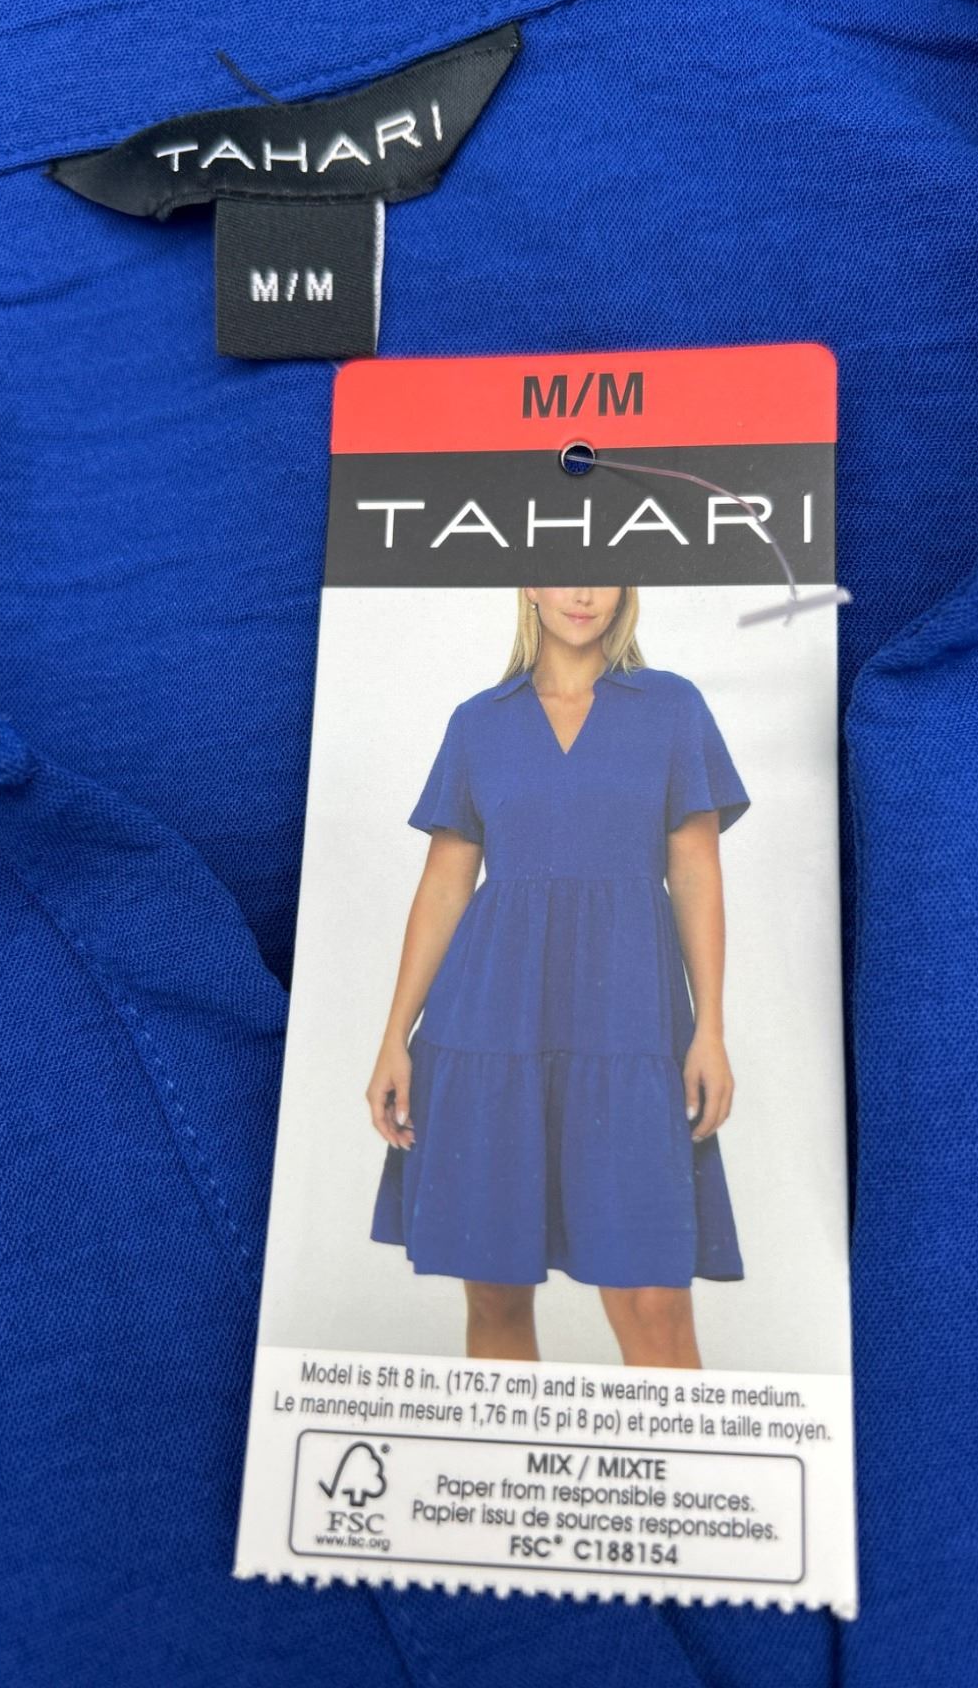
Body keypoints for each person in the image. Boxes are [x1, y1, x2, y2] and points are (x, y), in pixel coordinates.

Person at [365, 585, 752, 1368]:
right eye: (564, 571)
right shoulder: (478, 722)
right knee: (495, 1293)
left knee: (652, 1302)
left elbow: (696, 872)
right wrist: (394, 1036)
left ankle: (674, 1456)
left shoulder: (672, 708)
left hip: (631, 1020)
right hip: (490, 1022)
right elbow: (444, 884)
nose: (583, 592)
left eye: (603, 573)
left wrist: (710, 1028)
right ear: (529, 586)